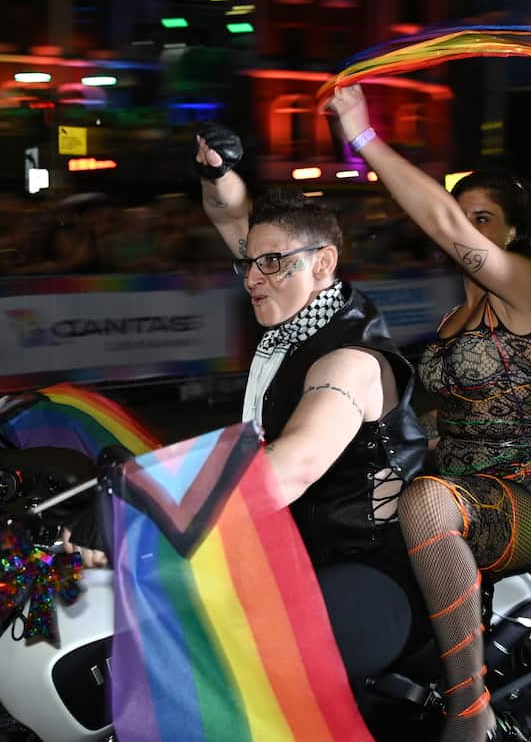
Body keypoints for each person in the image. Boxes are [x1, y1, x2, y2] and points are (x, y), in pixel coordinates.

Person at [65, 121, 428, 675]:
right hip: (291, 545)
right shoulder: (296, 311)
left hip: (369, 565)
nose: (253, 278)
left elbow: (289, 471)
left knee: (240, 668)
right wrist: (218, 171)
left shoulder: (348, 361)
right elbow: (235, 217)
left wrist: (146, 519)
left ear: (323, 263)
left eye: (272, 264)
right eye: (248, 264)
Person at [327, 85, 531, 742]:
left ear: (514, 231)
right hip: (462, 481)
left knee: (427, 505)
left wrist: (363, 138)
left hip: (529, 490)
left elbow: (439, 221)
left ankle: (471, 710)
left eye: (483, 218)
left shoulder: (524, 286)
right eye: (462, 217)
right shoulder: (449, 319)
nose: (467, 228)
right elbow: (446, 419)